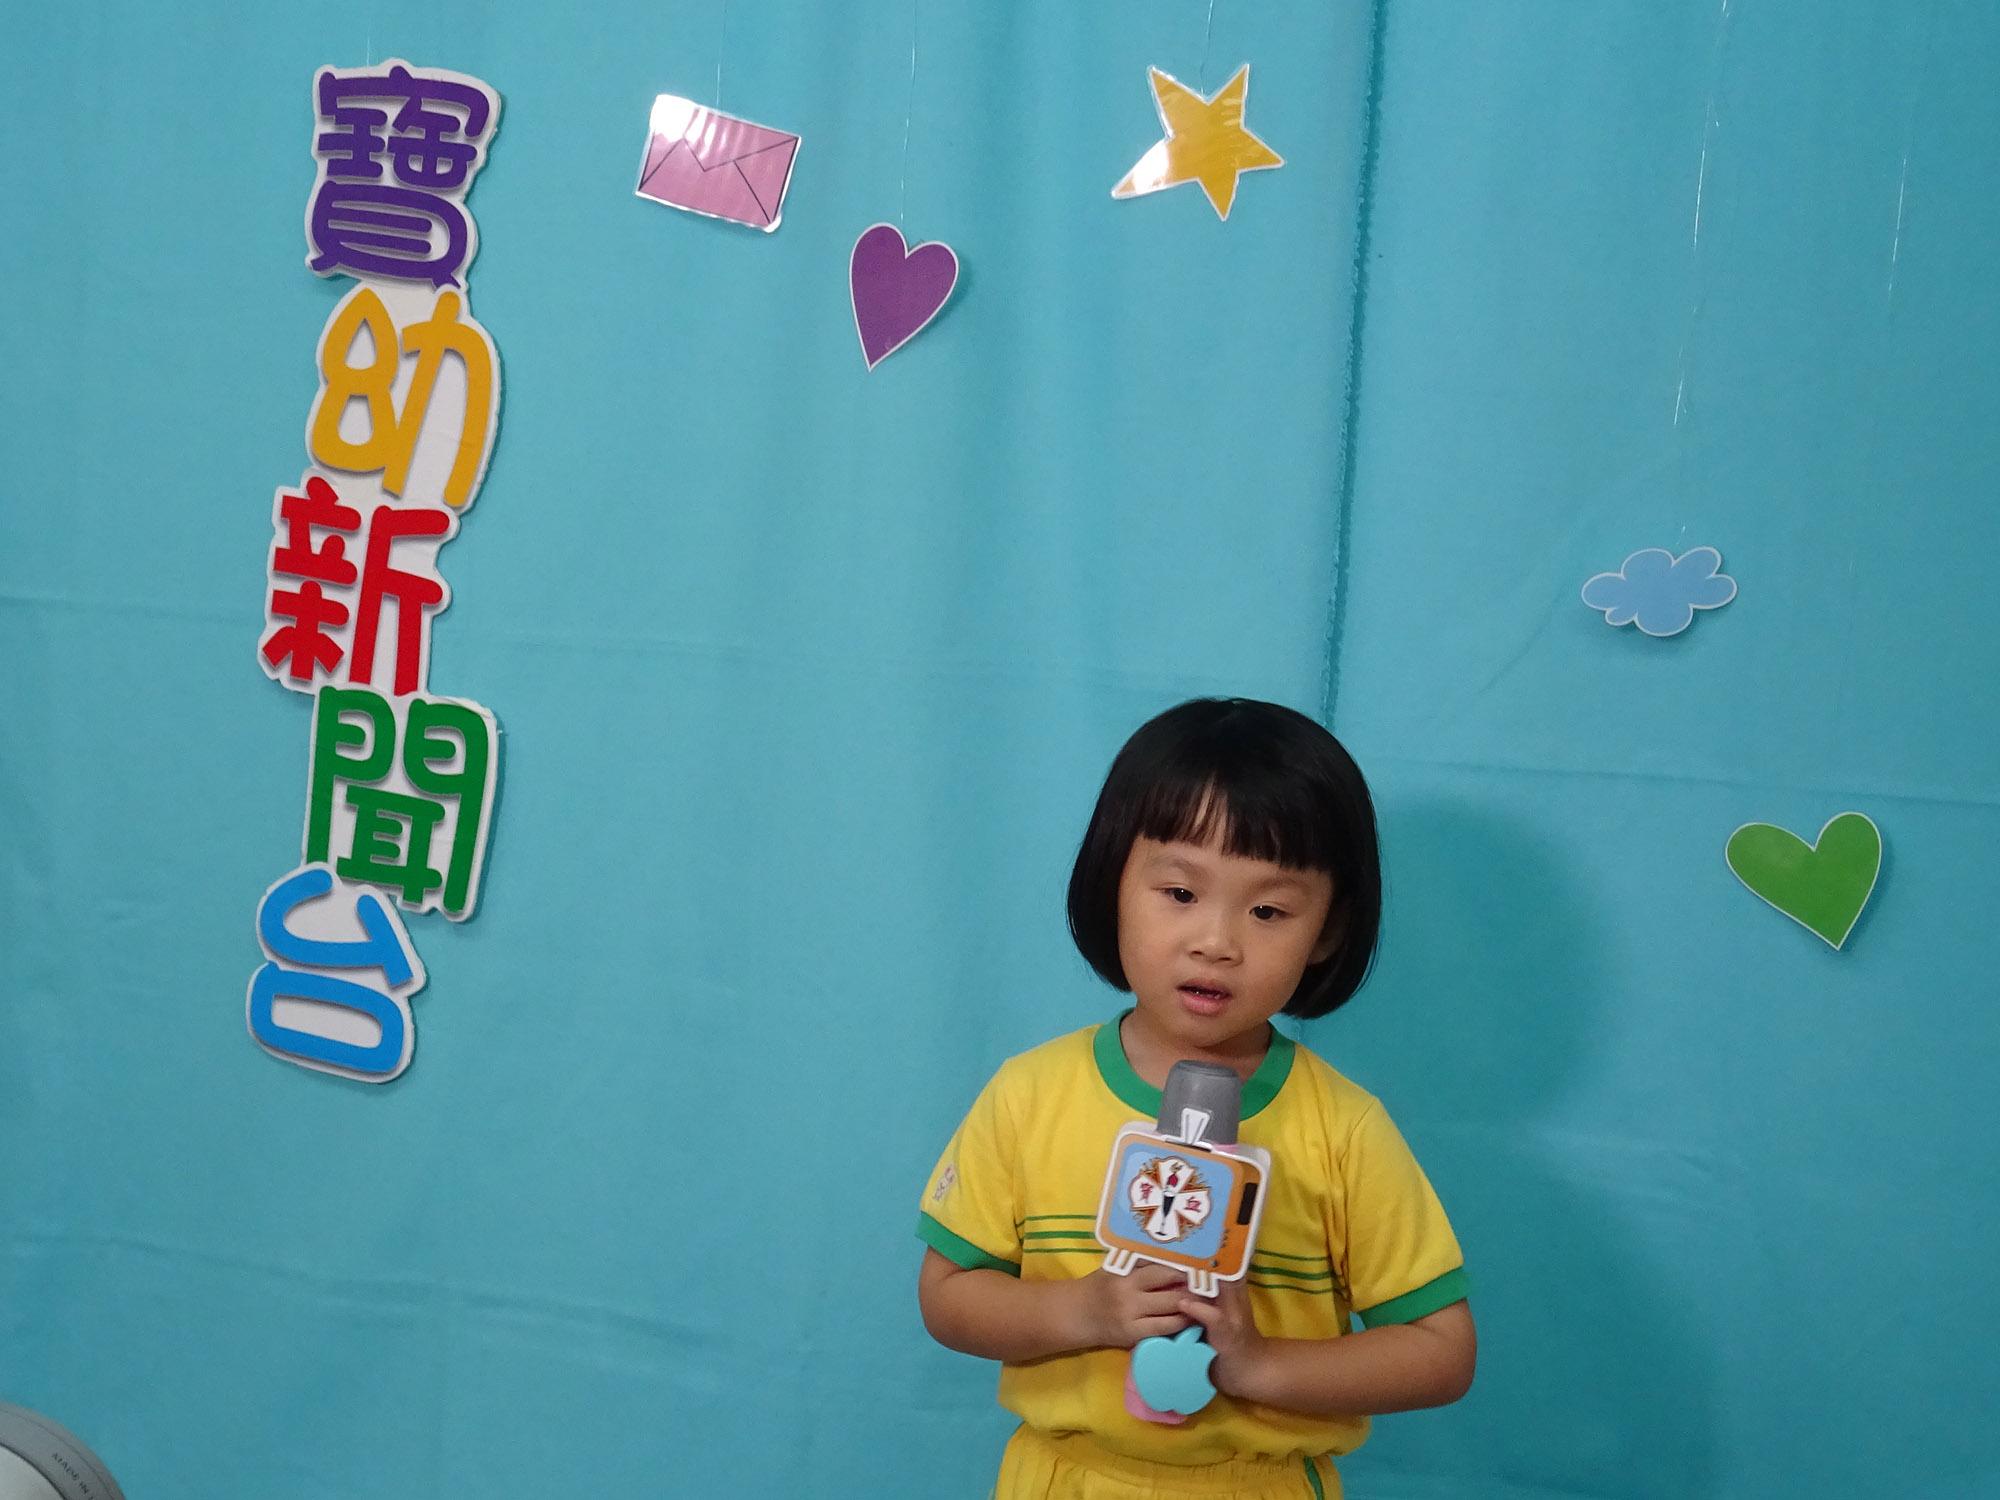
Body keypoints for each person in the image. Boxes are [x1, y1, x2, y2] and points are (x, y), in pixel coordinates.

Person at [917, 698, 1475, 1500]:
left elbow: (1441, 1351)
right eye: (1180, 893)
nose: (1216, 942)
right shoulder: (1027, 1095)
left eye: (1268, 910)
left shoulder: (1345, 1129)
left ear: (1326, 931)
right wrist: (1086, 1312)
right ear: (1112, 884)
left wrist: (1259, 1363)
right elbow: (947, 1296)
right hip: (1065, 1479)